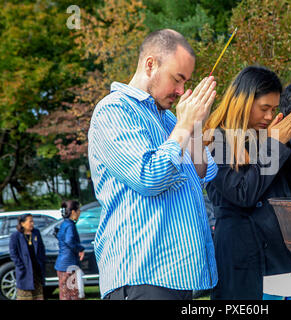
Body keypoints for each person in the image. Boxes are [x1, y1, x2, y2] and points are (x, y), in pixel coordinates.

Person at [88, 29, 218, 300]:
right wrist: (183, 124)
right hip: (142, 275)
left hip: (178, 278)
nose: (181, 91)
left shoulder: (170, 121)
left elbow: (201, 175)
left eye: (186, 82)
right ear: (151, 65)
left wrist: (193, 125)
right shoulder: (113, 110)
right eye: (177, 79)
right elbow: (149, 178)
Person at [203, 66, 291, 300]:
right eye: (264, 109)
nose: (270, 116)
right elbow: (242, 193)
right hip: (241, 259)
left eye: (274, 109)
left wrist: (285, 142)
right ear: (243, 102)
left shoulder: (266, 136)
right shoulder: (214, 138)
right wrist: (274, 145)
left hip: (281, 257)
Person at [9, 214, 46, 300]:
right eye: (30, 221)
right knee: (25, 295)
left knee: (38, 295)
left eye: (32, 221)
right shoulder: (15, 236)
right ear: (22, 223)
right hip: (25, 270)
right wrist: (21, 266)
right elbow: (13, 253)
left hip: (36, 269)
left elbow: (41, 248)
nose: (32, 223)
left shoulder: (36, 233)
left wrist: (42, 261)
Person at [55, 200, 85, 300]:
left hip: (63, 264)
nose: (80, 212)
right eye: (78, 210)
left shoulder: (64, 224)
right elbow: (69, 241)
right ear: (73, 212)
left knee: (65, 294)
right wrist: (80, 249)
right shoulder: (70, 225)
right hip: (68, 265)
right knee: (72, 295)